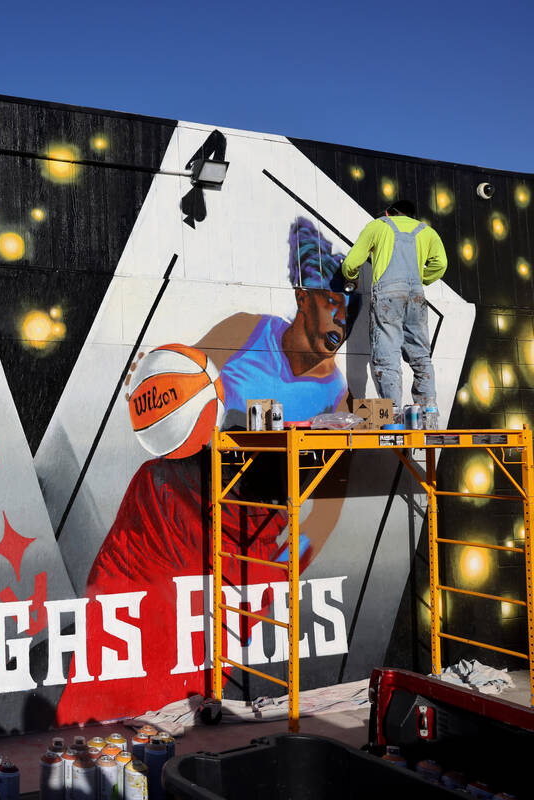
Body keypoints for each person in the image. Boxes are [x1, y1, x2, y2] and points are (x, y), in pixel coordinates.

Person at [56, 218, 356, 724]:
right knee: (114, 647)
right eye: (331, 301)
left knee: (189, 680)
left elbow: (332, 494)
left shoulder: (337, 393)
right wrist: (151, 379)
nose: (341, 318)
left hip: (248, 531)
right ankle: (87, 752)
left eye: (348, 308)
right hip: (169, 509)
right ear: (302, 297)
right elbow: (182, 384)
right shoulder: (247, 330)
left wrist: (291, 557)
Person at [341, 199, 447, 409]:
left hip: (388, 296)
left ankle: (394, 416)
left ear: (389, 213)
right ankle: (427, 414)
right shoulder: (427, 232)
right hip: (416, 296)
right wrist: (422, 279)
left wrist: (351, 276)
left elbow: (351, 263)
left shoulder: (378, 225)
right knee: (421, 357)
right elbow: (441, 264)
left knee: (387, 359)